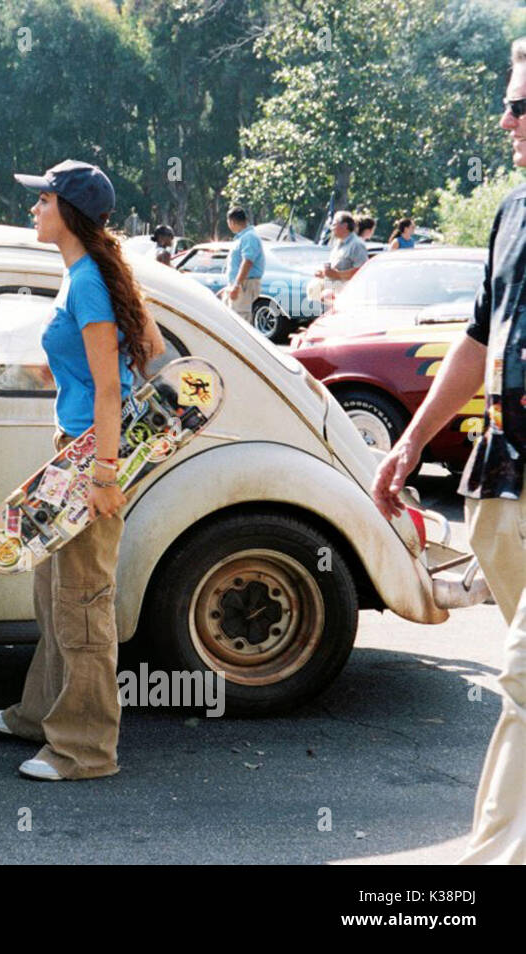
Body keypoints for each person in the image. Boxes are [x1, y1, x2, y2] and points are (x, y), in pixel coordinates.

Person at [376, 39, 526, 864]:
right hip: (501, 491)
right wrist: (410, 442)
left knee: (523, 685)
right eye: (509, 101)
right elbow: (477, 339)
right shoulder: (513, 211)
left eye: (522, 106)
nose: (506, 118)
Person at [0, 159, 164, 781]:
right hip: (78, 450)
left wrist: (107, 473)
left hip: (94, 456)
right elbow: (152, 350)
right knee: (52, 589)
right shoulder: (88, 274)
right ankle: (40, 714)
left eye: (42, 201)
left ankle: (85, 748)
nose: (33, 209)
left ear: (69, 211)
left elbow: (114, 389)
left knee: (84, 599)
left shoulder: (89, 280)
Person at [221, 206, 264, 323]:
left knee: (240, 320)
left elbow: (247, 262)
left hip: (245, 284)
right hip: (238, 283)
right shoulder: (242, 237)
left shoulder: (249, 237)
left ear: (232, 222)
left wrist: (236, 285)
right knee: (229, 319)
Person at [315, 211, 368, 286]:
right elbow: (334, 268)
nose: (332, 228)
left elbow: (362, 270)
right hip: (332, 286)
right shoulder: (338, 244)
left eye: (334, 224)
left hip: (347, 290)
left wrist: (338, 275)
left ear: (345, 226)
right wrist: (324, 273)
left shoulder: (357, 245)